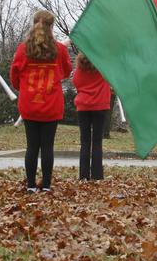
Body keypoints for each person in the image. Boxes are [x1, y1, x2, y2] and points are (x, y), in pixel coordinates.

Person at [10, 11, 71, 192]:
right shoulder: (59, 49)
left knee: (32, 146)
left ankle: (30, 185)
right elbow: (66, 71)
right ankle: (46, 185)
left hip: (29, 103)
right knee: (47, 146)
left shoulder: (23, 49)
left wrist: (21, 88)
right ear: (52, 26)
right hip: (51, 103)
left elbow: (15, 74)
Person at [71, 49, 110, 181]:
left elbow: (75, 81)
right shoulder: (104, 64)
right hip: (100, 105)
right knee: (97, 142)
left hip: (83, 106)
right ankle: (97, 175)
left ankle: (83, 175)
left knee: (85, 141)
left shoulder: (81, 66)